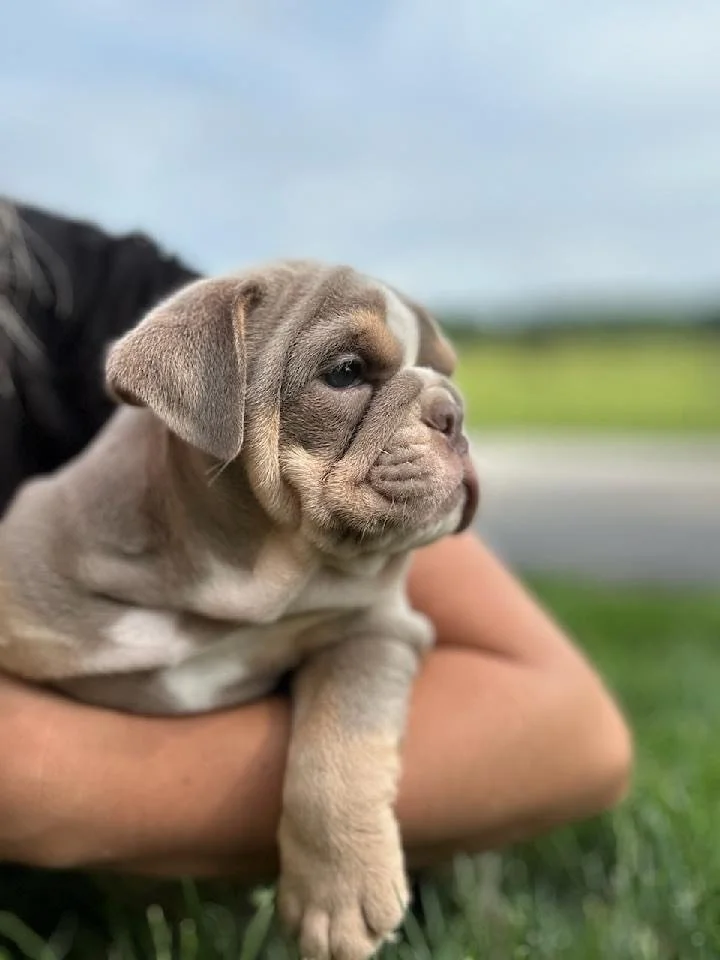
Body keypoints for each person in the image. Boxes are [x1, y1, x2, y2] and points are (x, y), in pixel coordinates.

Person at [0, 199, 632, 880]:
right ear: (199, 402)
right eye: (348, 373)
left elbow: (573, 733)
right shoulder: (41, 563)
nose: (443, 412)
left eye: (432, 378)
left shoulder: (71, 284)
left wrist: (68, 788)